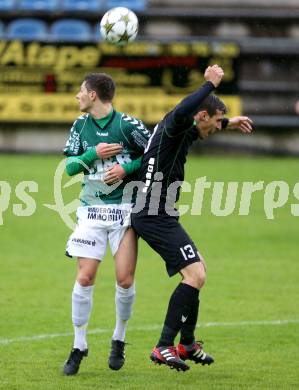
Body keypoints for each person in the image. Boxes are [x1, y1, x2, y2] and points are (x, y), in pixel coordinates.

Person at [131, 65, 253, 371]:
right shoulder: (176, 123)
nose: (212, 131)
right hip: (153, 213)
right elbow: (185, 109)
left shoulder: (183, 131)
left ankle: (186, 344)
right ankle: (163, 346)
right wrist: (208, 85)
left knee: (198, 269)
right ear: (200, 116)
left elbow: (198, 122)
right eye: (212, 124)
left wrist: (227, 122)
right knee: (195, 275)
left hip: (161, 212)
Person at [62, 73, 150, 375]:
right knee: (85, 278)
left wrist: (126, 168)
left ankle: (119, 338)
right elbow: (70, 167)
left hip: (125, 211)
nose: (77, 96)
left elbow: (152, 155)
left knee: (125, 279)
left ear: (94, 95)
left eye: (81, 91)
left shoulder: (128, 125)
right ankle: (79, 345)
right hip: (91, 212)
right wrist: (93, 154)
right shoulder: (81, 126)